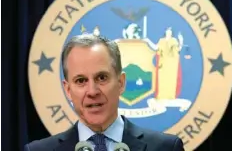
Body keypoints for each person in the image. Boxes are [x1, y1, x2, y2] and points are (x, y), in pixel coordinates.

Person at [24, 34, 185, 151]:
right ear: (68, 90)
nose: (92, 91)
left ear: (121, 83)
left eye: (101, 77)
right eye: (81, 81)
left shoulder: (166, 148)